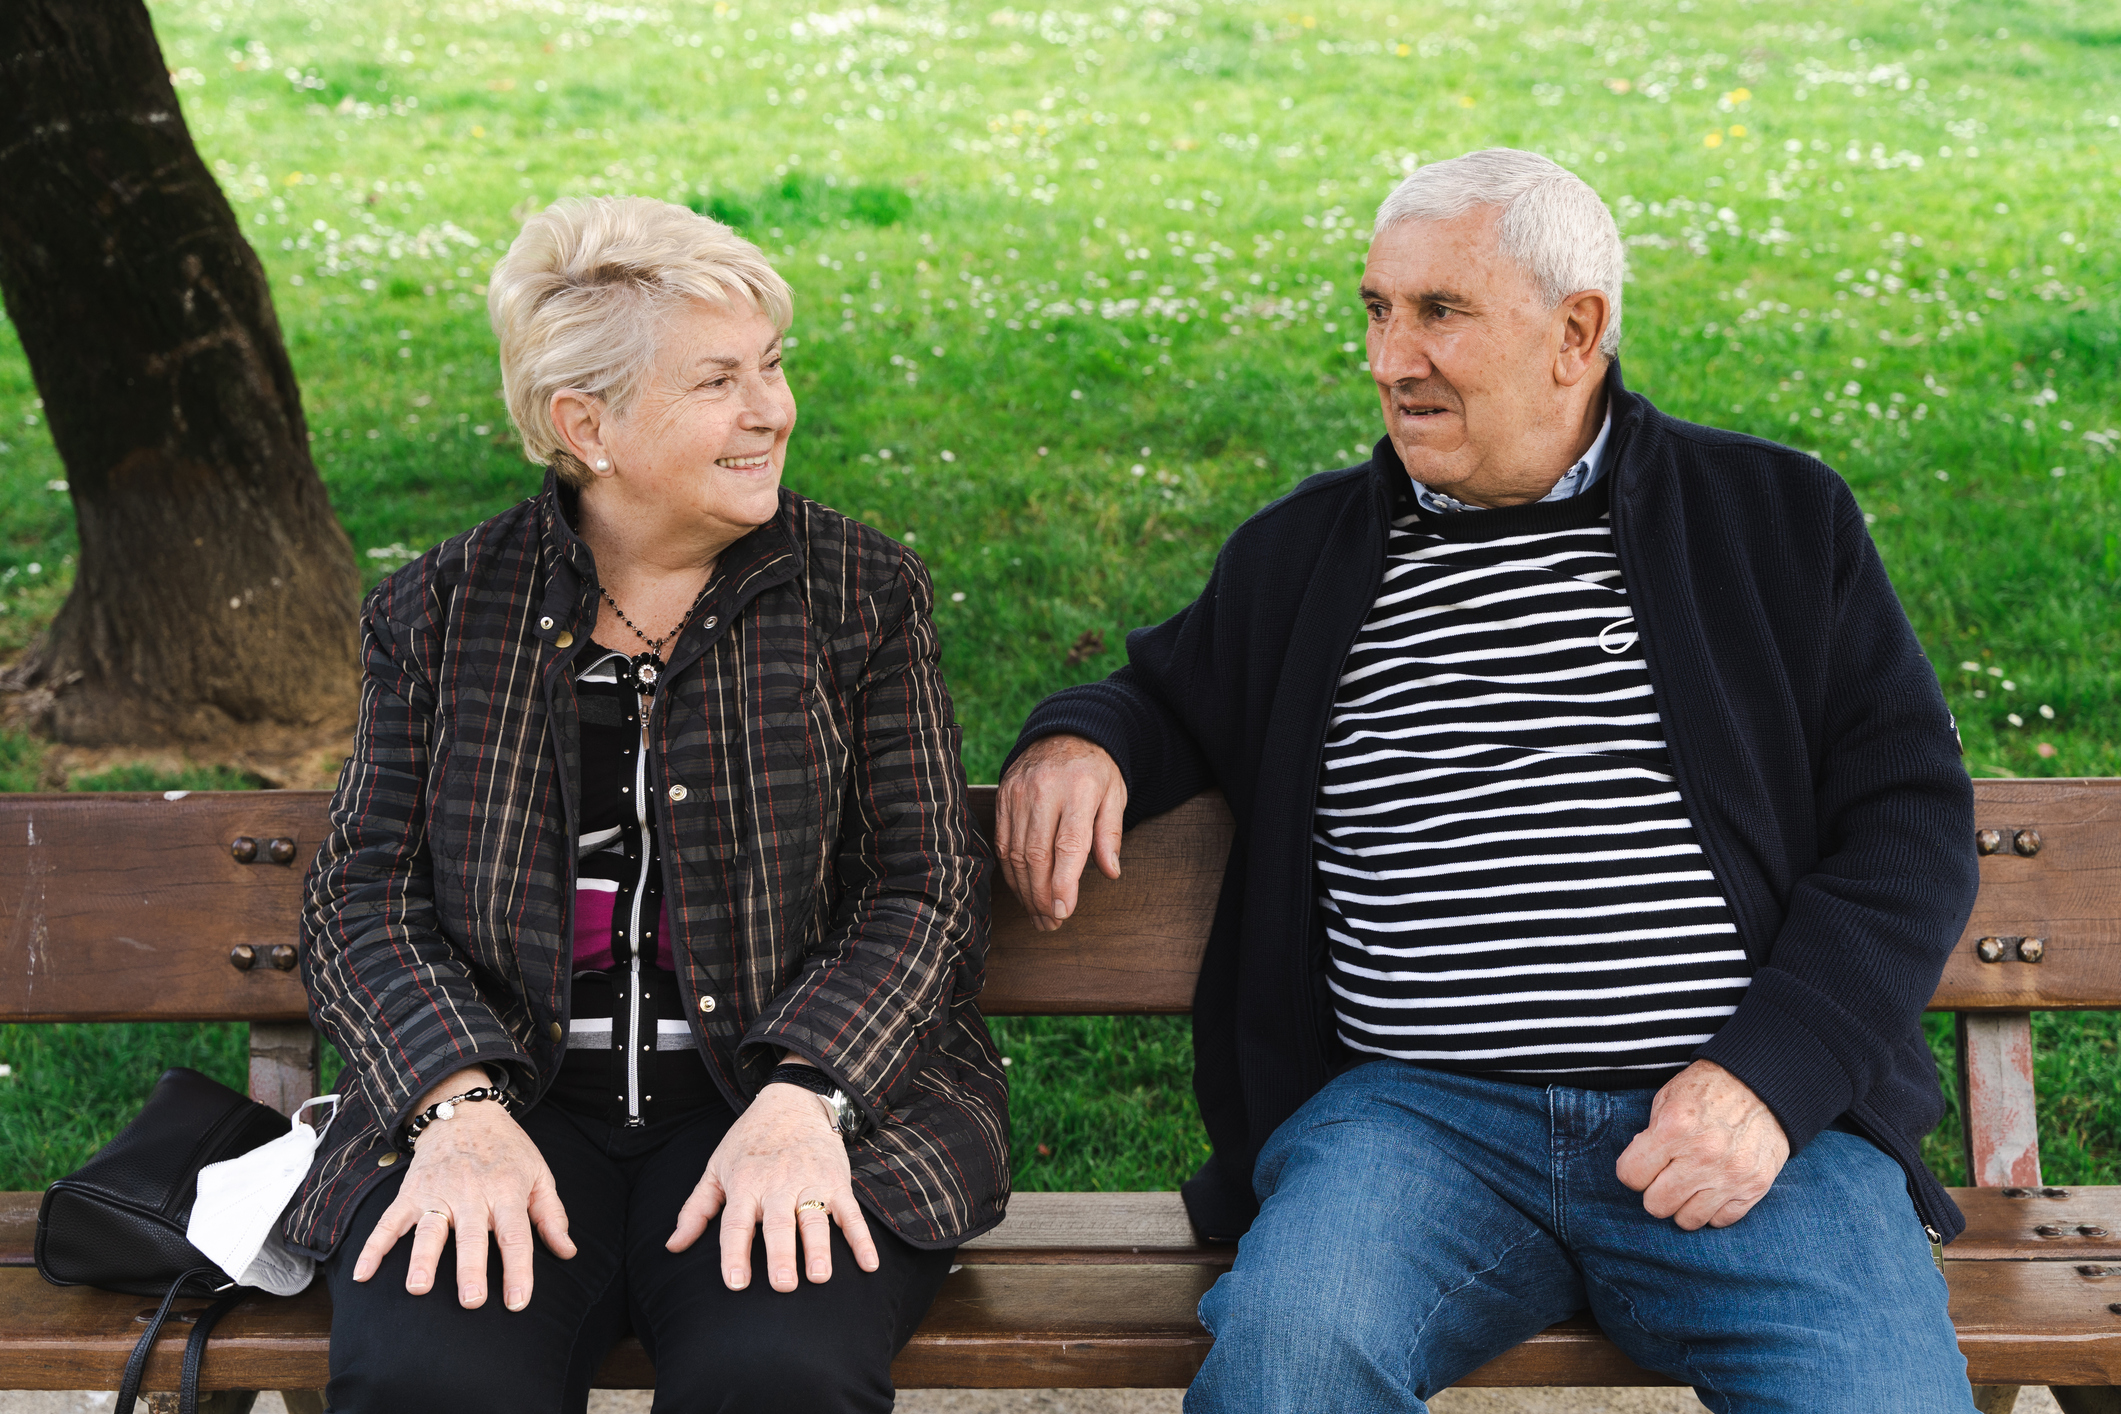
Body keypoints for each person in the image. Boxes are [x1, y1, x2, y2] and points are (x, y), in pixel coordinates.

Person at [995, 149, 1980, 1412]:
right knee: (1291, 1362)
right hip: (1413, 1126)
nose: (1390, 359)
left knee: (1875, 1400)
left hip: (1732, 1115)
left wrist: (1772, 1078)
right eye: (1375, 309)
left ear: (1577, 332)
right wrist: (1081, 739)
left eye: (1439, 313)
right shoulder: (1309, 555)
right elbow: (1160, 693)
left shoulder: (1772, 520)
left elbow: (1907, 824)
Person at [289, 195, 1007, 1414]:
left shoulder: (859, 595)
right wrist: (453, 1108)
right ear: (589, 423)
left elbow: (925, 886)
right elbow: (364, 893)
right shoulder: (445, 610)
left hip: (781, 1099)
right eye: (719, 380)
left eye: (771, 366)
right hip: (509, 1104)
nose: (772, 410)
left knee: (774, 1377)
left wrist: (808, 1094)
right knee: (432, 1380)